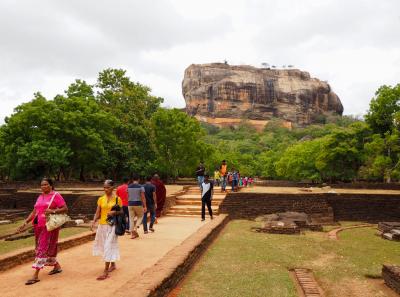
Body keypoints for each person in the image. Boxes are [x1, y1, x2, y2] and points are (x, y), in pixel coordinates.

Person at [18, 178, 68, 285]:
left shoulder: (56, 195)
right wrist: (25, 222)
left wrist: (52, 211)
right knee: (43, 246)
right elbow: (35, 211)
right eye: (42, 185)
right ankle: (57, 266)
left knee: (42, 247)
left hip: (49, 226)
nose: (43, 186)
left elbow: (65, 208)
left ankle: (35, 275)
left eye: (46, 184)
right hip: (38, 225)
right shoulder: (40, 196)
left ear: (51, 185)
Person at [91, 180, 123, 280]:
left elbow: (121, 212)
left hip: (112, 225)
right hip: (102, 225)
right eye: (104, 187)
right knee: (106, 245)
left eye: (108, 187)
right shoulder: (101, 199)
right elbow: (98, 212)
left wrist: (114, 212)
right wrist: (94, 221)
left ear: (113, 187)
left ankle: (105, 271)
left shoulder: (118, 199)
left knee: (108, 245)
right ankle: (113, 264)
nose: (105, 189)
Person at [127, 175, 147, 239]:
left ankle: (132, 234)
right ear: (138, 180)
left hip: (130, 204)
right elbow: (143, 197)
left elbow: (128, 196)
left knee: (131, 219)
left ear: (133, 180)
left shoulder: (128, 187)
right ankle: (136, 227)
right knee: (141, 216)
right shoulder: (141, 187)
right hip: (138, 203)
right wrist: (145, 206)